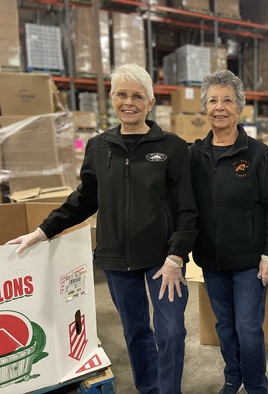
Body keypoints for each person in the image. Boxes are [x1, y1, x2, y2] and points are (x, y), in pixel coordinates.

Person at [6, 63, 198, 394]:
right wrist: (42, 231)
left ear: (150, 102)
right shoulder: (98, 147)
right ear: (111, 98)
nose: (129, 102)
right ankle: (149, 388)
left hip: (163, 259)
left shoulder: (173, 147)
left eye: (138, 96)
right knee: (135, 330)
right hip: (116, 258)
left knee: (171, 331)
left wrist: (176, 255)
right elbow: (84, 199)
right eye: (122, 94)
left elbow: (188, 209)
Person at [188, 69, 268, 394]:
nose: (220, 107)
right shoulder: (195, 155)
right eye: (213, 100)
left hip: (249, 264)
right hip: (212, 262)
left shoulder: (257, 154)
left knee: (248, 328)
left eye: (227, 100)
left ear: (239, 107)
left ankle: (256, 385)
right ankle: (233, 378)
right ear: (205, 107)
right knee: (225, 327)